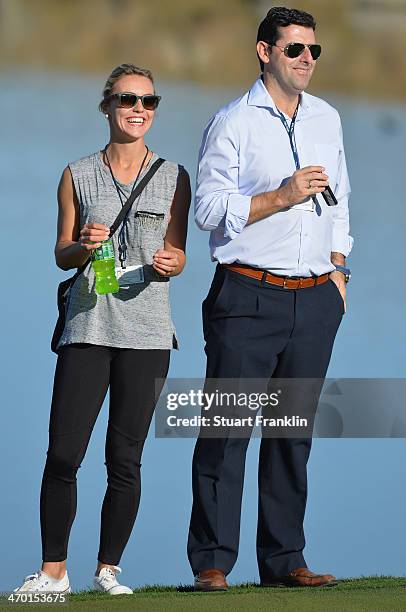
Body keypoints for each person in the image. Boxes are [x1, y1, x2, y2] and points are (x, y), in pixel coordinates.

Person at [188, 7, 352, 590]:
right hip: (247, 294)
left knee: (292, 435)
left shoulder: (328, 120)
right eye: (294, 49)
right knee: (226, 433)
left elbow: (342, 201)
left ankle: (285, 561)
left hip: (314, 300)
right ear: (265, 52)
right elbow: (207, 211)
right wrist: (278, 197)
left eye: (313, 50)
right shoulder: (232, 123)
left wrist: (339, 271)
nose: (307, 59)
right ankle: (212, 563)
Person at [15, 63, 191, 595]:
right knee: (64, 454)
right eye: (127, 100)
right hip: (88, 326)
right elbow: (60, 253)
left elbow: (180, 252)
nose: (139, 110)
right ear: (107, 106)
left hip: (149, 334)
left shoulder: (174, 175)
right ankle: (53, 573)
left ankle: (108, 570)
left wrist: (173, 261)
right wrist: (84, 248)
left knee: (125, 459)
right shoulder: (77, 173)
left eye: (148, 102)